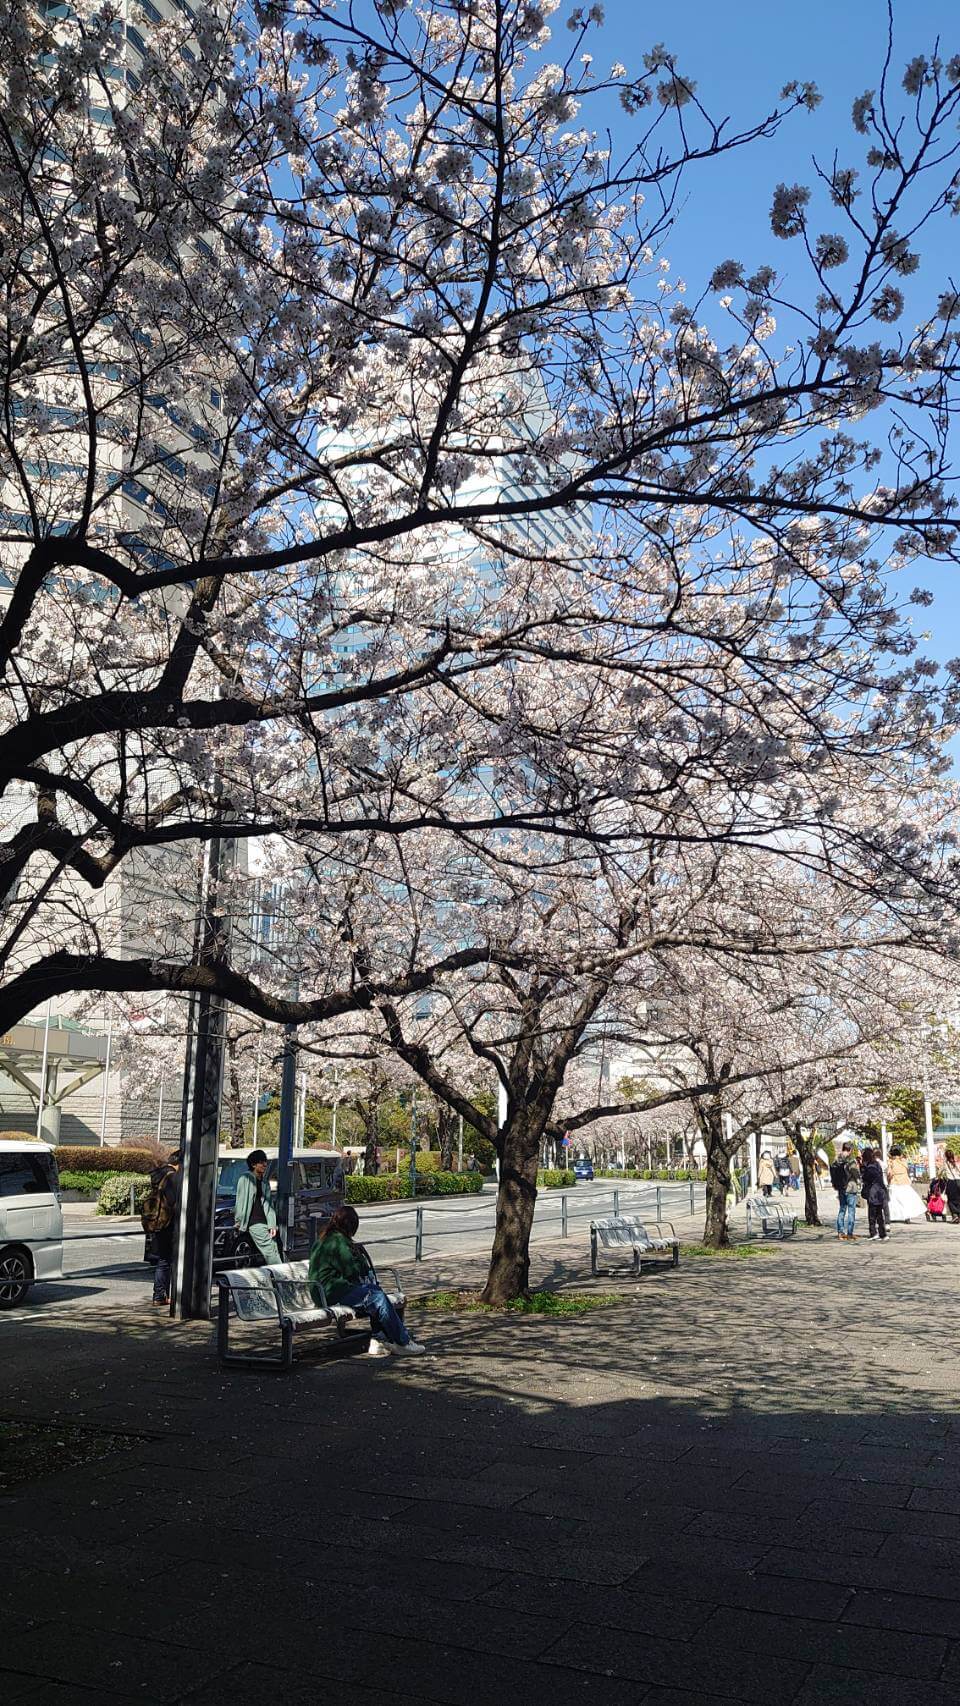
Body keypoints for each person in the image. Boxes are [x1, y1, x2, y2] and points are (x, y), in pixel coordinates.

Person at [308, 1204, 425, 1357]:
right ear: (351, 1226)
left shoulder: (324, 1238)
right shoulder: (339, 1241)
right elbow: (352, 1271)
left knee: (375, 1292)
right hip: (333, 1292)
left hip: (322, 1291)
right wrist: (359, 1258)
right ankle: (402, 1342)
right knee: (377, 1299)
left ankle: (379, 1340)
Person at [143, 1148, 181, 1307]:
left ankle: (159, 1296)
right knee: (170, 1261)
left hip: (158, 1223)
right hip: (170, 1225)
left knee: (163, 1260)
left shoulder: (160, 1176)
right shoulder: (173, 1178)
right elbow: (175, 1203)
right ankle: (164, 1295)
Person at [234, 1148, 281, 1266]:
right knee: (271, 1252)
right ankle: (284, 1279)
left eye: (265, 1161)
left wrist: (272, 1224)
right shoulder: (245, 1178)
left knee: (274, 1249)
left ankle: (279, 1280)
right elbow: (241, 1201)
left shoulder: (264, 1182)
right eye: (261, 1162)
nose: (265, 1165)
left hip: (265, 1222)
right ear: (253, 1164)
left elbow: (269, 1204)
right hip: (254, 1223)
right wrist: (239, 1220)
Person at [886, 1146, 927, 1224]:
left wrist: (888, 1180)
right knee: (906, 1200)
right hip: (905, 1183)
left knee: (894, 1201)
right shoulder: (904, 1161)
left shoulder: (891, 1162)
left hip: (895, 1183)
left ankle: (894, 1216)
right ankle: (907, 1216)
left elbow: (890, 1173)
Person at [860, 1146, 888, 1241]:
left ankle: (873, 1233)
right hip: (880, 1191)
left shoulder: (868, 1167)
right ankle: (883, 1233)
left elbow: (866, 1178)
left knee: (872, 1214)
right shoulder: (877, 1164)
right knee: (879, 1214)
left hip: (873, 1192)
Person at [835, 1142, 861, 1241]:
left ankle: (840, 1233)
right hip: (850, 1188)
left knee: (842, 1210)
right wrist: (859, 1181)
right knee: (851, 1211)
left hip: (841, 1188)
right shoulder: (851, 1160)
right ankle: (849, 1233)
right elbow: (855, 1173)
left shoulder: (837, 1160)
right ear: (850, 1150)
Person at [941, 1150, 960, 1223]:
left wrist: (938, 1177)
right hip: (959, 1181)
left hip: (951, 1182)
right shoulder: (957, 1162)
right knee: (959, 1199)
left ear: (946, 1156)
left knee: (951, 1200)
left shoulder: (945, 1163)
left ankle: (955, 1215)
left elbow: (940, 1172)